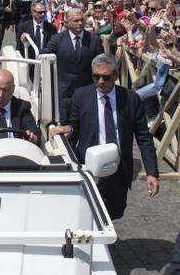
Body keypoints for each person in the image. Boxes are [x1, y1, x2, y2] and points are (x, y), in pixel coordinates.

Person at [51, 54, 159, 219]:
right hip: (89, 167)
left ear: (115, 76)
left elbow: (144, 138)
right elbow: (75, 125)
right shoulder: (81, 95)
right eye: (96, 77)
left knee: (115, 212)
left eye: (106, 77)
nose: (100, 81)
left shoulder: (131, 99)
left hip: (118, 169)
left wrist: (152, 172)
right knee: (87, 213)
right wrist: (69, 129)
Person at [42, 7, 104, 122]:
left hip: (88, 92)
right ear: (68, 22)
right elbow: (43, 56)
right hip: (65, 93)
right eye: (76, 21)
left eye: (82, 20)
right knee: (66, 126)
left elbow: (102, 64)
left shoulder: (94, 40)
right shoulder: (57, 39)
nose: (80, 23)